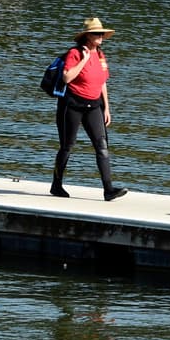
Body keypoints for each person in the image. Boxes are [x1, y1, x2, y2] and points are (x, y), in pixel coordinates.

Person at [50, 17, 127, 202]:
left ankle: (108, 189)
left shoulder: (100, 55)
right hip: (72, 105)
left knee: (102, 146)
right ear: (87, 36)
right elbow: (67, 77)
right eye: (96, 33)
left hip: (94, 106)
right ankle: (56, 184)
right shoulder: (75, 53)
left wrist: (107, 107)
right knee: (67, 146)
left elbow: (102, 82)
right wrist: (84, 60)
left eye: (101, 33)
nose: (100, 36)